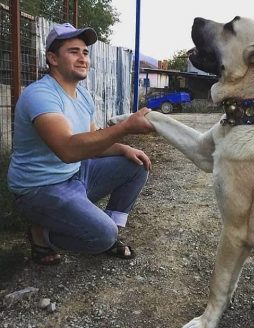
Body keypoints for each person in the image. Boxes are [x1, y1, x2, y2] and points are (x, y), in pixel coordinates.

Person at [7, 23, 154, 265]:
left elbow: (94, 141)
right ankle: (42, 235)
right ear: (53, 58)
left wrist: (124, 148)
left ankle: (108, 230)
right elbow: (67, 149)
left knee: (137, 164)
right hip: (41, 188)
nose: (83, 58)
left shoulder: (83, 95)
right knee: (102, 236)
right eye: (73, 51)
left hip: (76, 175)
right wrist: (126, 127)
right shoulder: (41, 95)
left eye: (85, 52)